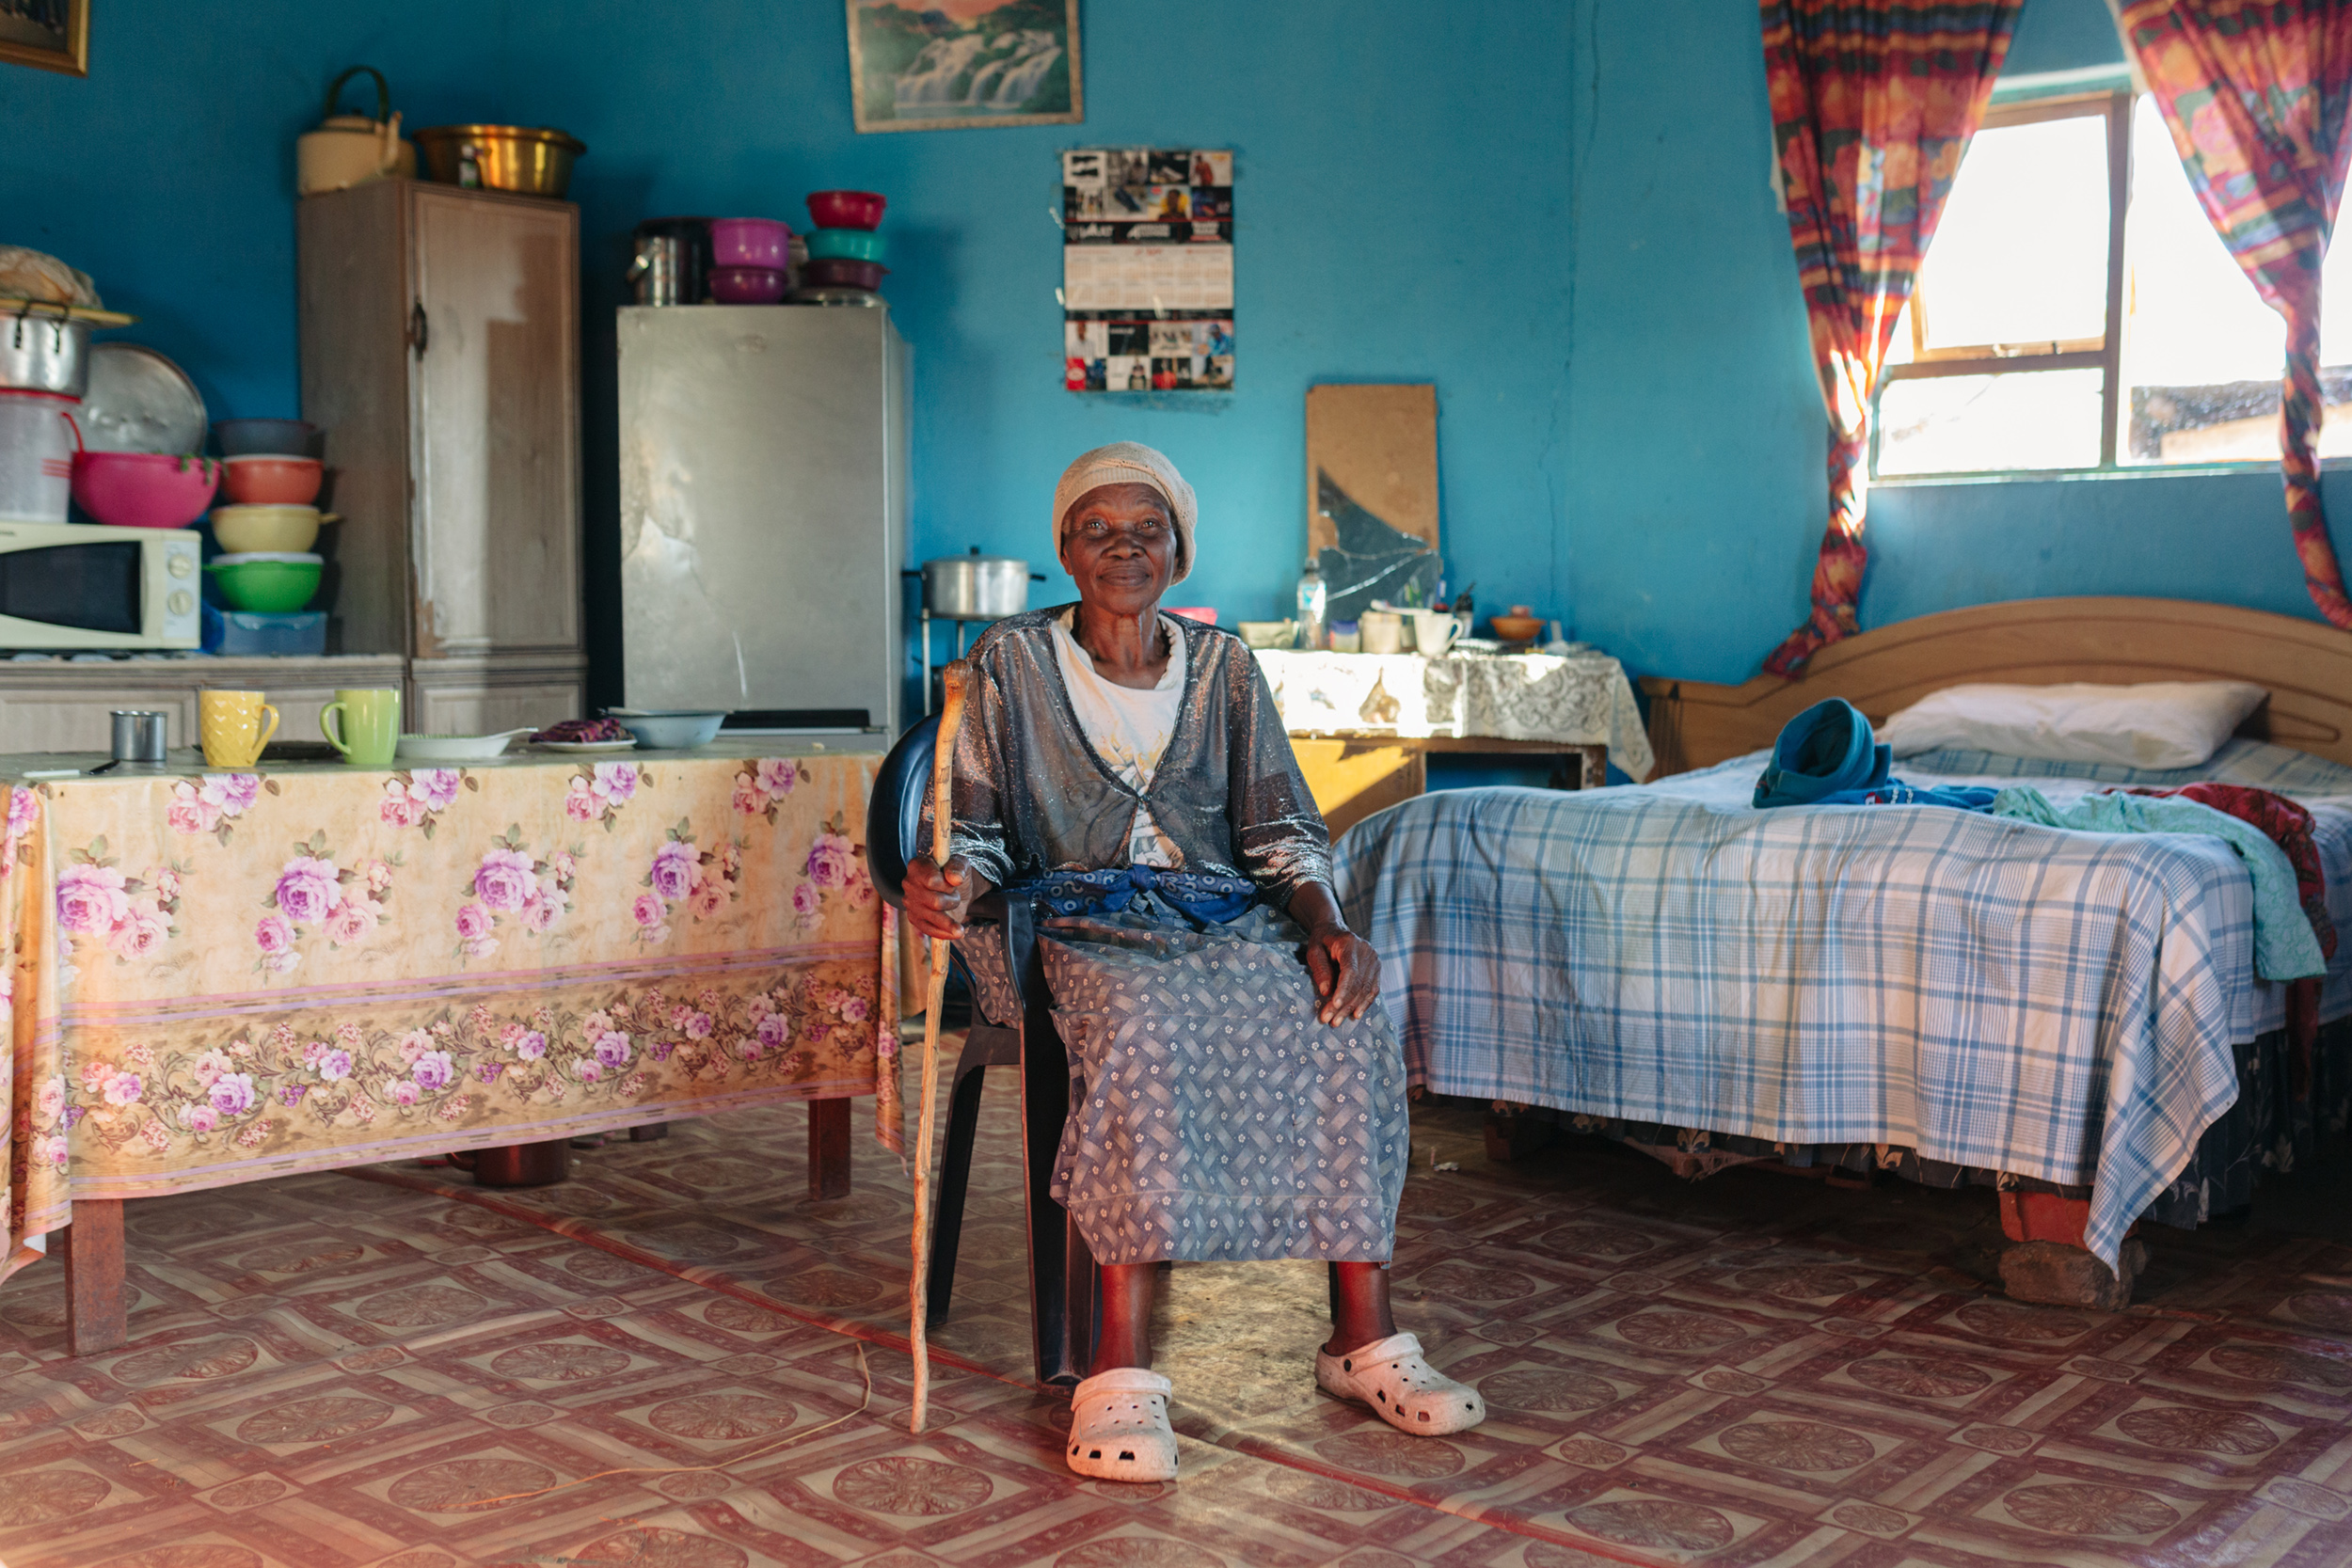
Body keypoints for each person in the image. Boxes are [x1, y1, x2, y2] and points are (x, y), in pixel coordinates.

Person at [902, 442, 1484, 1483]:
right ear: (1064, 549)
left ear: (1179, 549)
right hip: (1065, 928)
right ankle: (1118, 1366)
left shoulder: (1224, 667)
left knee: (1343, 1012)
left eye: (1148, 528)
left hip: (1218, 921)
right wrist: (952, 884)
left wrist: (1326, 924)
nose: (1123, 546)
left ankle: (1362, 1337)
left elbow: (1283, 832)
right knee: (1145, 1022)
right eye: (1097, 528)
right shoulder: (1009, 661)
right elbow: (977, 835)